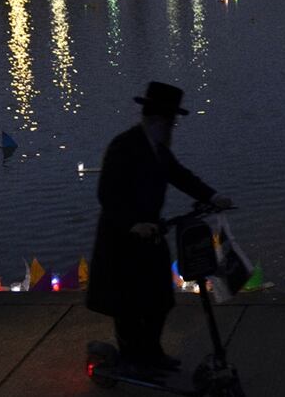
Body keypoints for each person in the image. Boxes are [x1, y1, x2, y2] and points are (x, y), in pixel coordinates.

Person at [87, 82, 232, 372]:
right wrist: (133, 224)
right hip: (123, 239)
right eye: (170, 123)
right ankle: (133, 356)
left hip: (151, 235)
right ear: (157, 121)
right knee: (128, 304)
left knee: (160, 299)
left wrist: (213, 196)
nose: (172, 129)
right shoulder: (123, 146)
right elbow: (108, 194)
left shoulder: (158, 149)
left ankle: (152, 352)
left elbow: (180, 176)